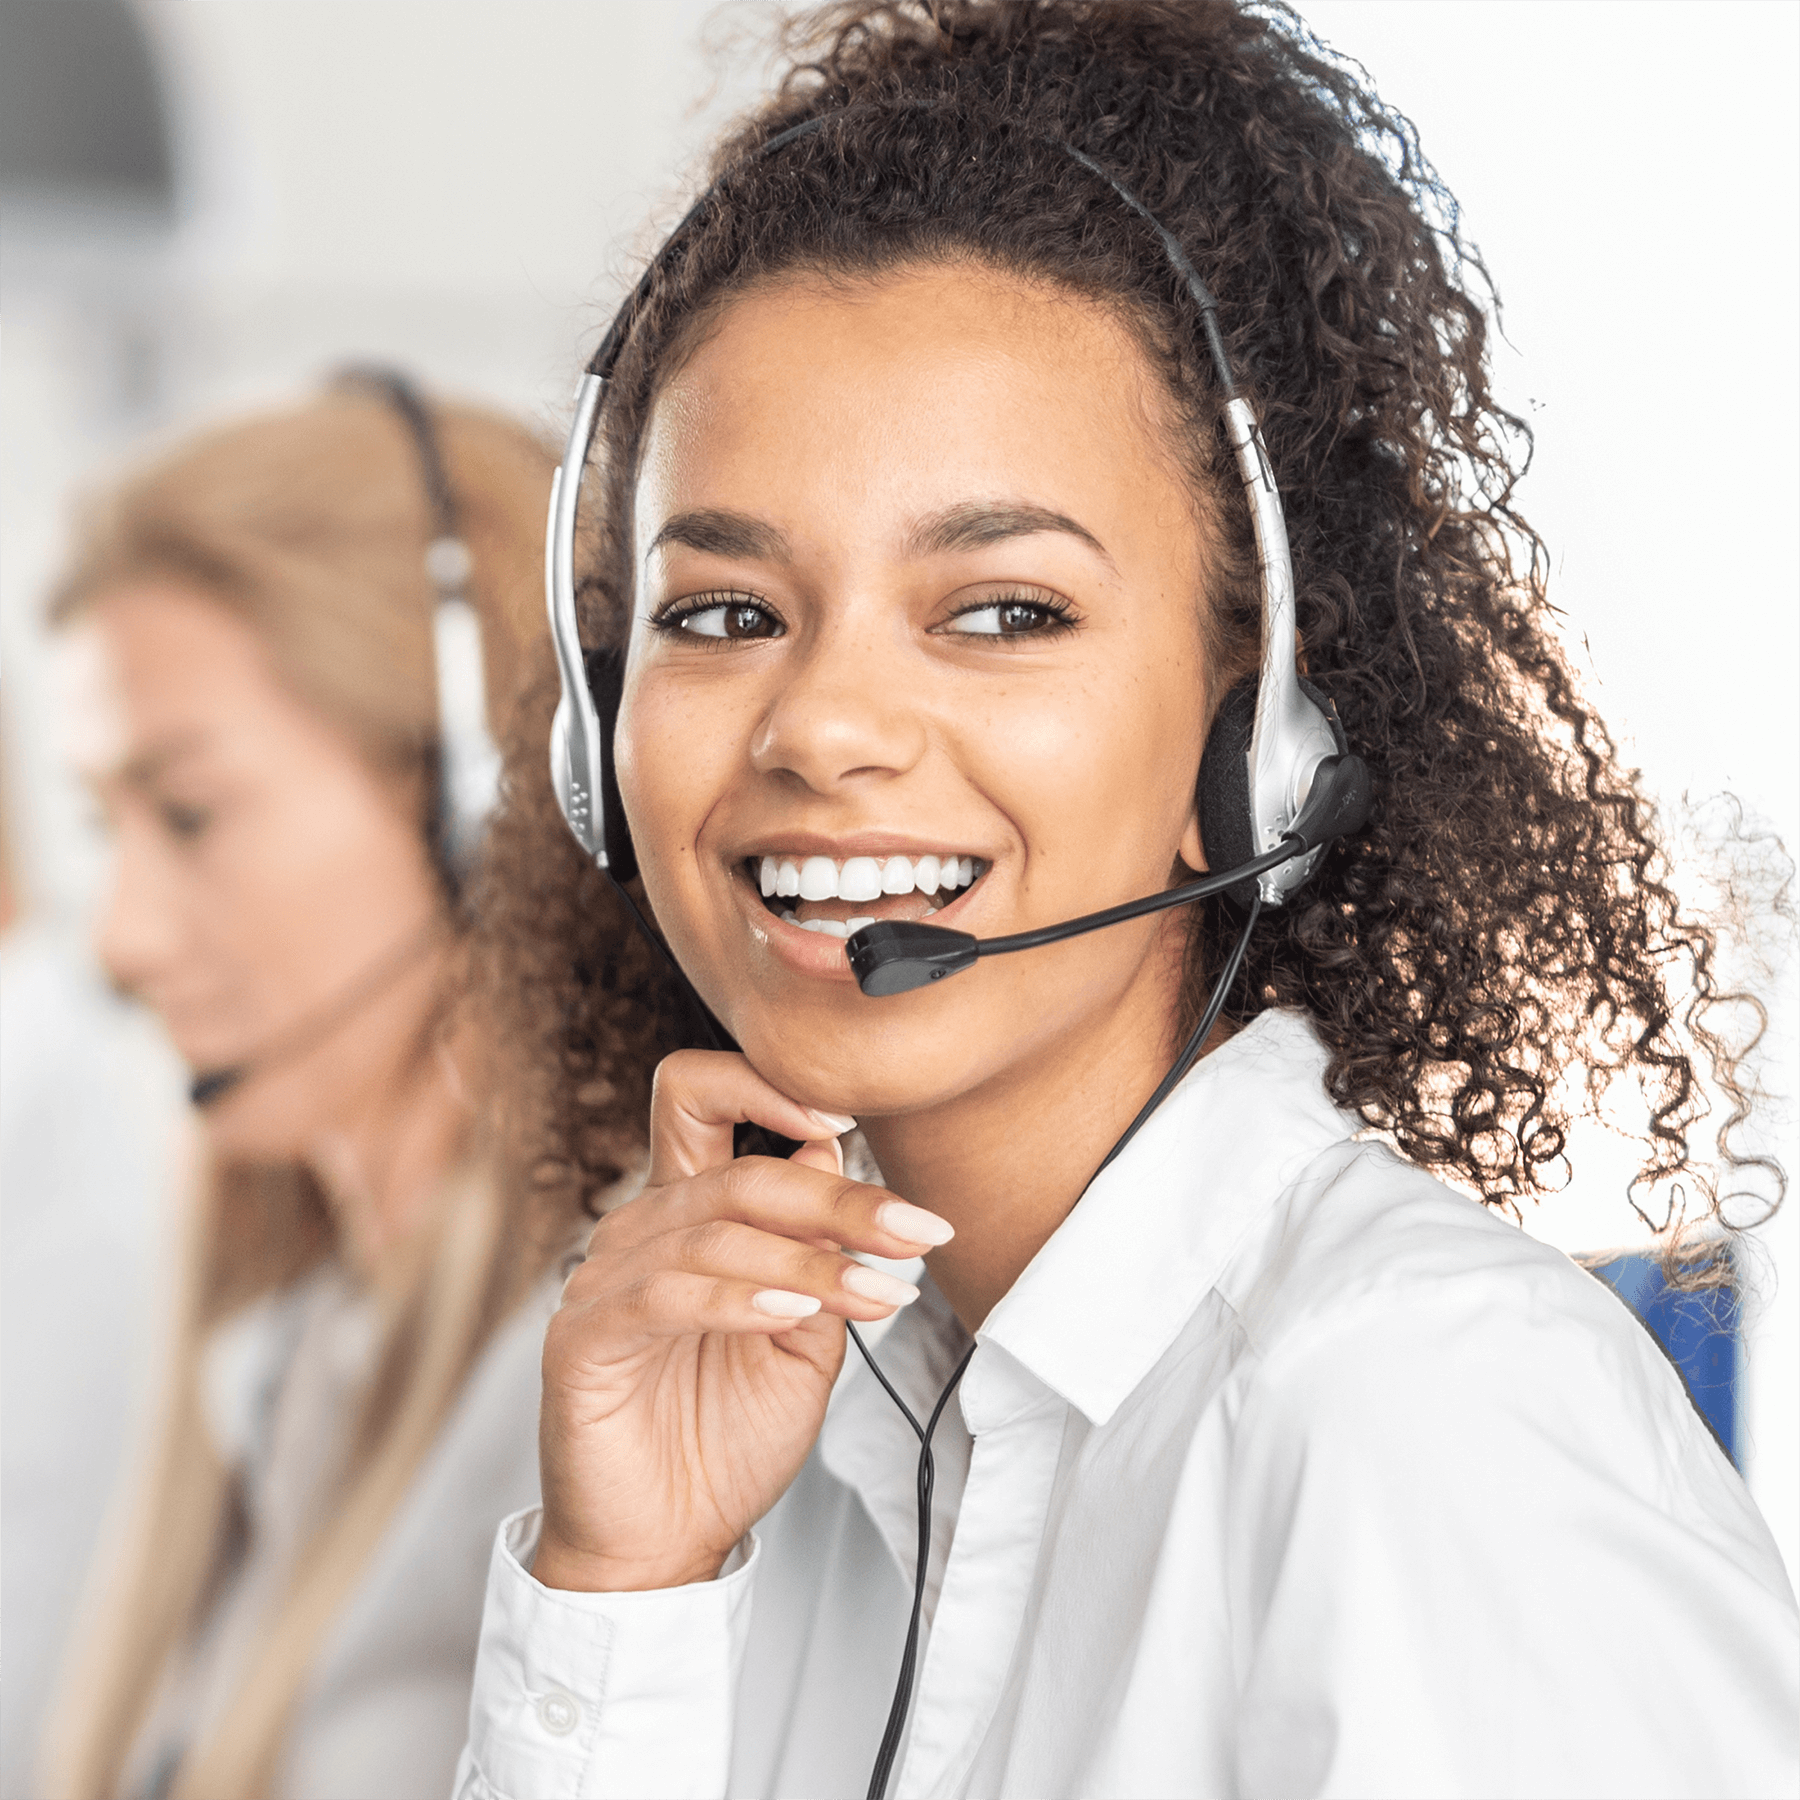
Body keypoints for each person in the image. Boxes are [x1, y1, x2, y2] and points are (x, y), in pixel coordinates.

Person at [457, 3, 1800, 1797]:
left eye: (1003, 610)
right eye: (723, 613)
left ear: (1252, 740)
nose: (824, 726)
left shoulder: (1419, 1414)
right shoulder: (799, 1428)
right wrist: (624, 1591)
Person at [34, 379, 584, 1800]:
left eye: (193, 814)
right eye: (106, 827)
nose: (120, 939)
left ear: (485, 807)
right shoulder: (288, 1357)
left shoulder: (598, 1389)